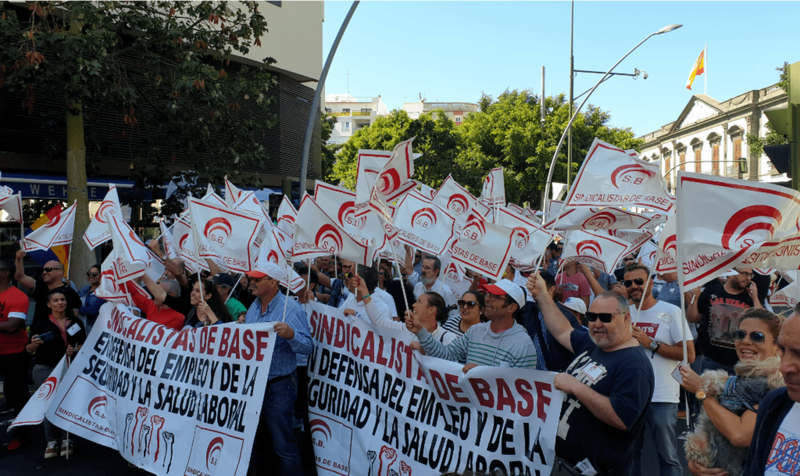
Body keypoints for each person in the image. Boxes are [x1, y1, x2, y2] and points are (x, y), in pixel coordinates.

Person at [527, 274, 655, 476]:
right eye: (591, 317)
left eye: (605, 318)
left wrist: (576, 387)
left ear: (626, 317)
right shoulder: (594, 344)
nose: (596, 324)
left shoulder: (634, 365)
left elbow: (622, 418)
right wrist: (543, 295)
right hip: (561, 462)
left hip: (593, 470)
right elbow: (563, 331)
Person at [679, 309, 784, 476]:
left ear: (778, 346)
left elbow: (739, 435)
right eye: (740, 334)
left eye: (757, 336)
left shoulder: (773, 383)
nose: (745, 341)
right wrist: (700, 463)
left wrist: (700, 391)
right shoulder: (742, 378)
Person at [242, 261, 313, 476]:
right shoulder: (254, 305)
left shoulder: (290, 308)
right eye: (251, 278)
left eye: (257, 279)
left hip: (278, 386)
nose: (251, 283)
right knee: (256, 444)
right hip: (255, 385)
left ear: (273, 282)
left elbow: (308, 347)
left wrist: (291, 335)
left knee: (284, 446)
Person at [625, 265, 696, 476]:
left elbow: (689, 355)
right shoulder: (623, 314)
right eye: (628, 283)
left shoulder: (671, 311)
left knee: (667, 456)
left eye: (639, 281)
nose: (634, 286)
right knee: (631, 455)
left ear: (651, 283)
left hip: (662, 394)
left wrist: (651, 344)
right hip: (631, 395)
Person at [408, 279, 537, 371]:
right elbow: (445, 354)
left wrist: (481, 375)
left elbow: (520, 391)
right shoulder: (475, 331)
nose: (486, 299)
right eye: (488, 294)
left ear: (511, 307)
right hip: (468, 408)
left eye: (494, 296)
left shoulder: (523, 345)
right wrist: (420, 331)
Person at [26, 290, 86, 459]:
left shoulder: (75, 322)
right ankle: (51, 441)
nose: (60, 303)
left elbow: (83, 345)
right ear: (48, 304)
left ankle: (67, 440)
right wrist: (34, 345)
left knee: (66, 403)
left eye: (62, 300)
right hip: (45, 368)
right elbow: (28, 349)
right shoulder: (41, 323)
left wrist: (74, 351)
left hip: (69, 367)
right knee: (47, 405)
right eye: (56, 300)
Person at [742, 307, 799, 475]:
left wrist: (701, 393)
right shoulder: (775, 403)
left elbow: (738, 435)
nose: (783, 366)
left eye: (799, 354)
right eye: (783, 350)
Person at [687, 268, 762, 375]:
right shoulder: (712, 291)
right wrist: (695, 298)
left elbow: (762, 322)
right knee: (705, 391)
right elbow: (692, 318)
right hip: (710, 358)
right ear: (730, 273)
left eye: (750, 275)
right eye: (744, 273)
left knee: (733, 392)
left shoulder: (750, 297)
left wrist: (755, 298)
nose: (748, 278)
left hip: (738, 362)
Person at [520, 271, 583, 372]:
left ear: (552, 289)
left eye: (540, 288)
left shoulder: (566, 316)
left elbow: (575, 351)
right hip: (530, 376)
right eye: (532, 287)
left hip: (555, 377)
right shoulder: (527, 311)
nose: (534, 291)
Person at [0, 259, 31, 451]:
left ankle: (21, 434)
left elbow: (12, 326)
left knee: (16, 394)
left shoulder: (18, 296)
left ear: (5, 273)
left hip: (15, 353)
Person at [15, 250, 81, 324]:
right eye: (43, 270)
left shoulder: (71, 292)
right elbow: (19, 277)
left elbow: (75, 319)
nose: (44, 272)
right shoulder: (40, 286)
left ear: (60, 272)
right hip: (39, 333)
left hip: (60, 333)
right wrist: (18, 259)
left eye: (48, 269)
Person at [141, 274, 232, 328]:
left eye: (197, 291)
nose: (192, 293)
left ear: (208, 296)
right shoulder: (189, 308)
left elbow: (221, 335)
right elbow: (162, 296)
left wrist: (209, 313)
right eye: (193, 290)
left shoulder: (219, 314)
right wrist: (142, 275)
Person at [78, 264, 106, 334]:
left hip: (93, 328)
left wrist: (76, 309)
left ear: (101, 275)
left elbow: (93, 310)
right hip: (79, 325)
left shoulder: (103, 292)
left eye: (94, 274)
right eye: (89, 274)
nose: (90, 276)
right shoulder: (83, 289)